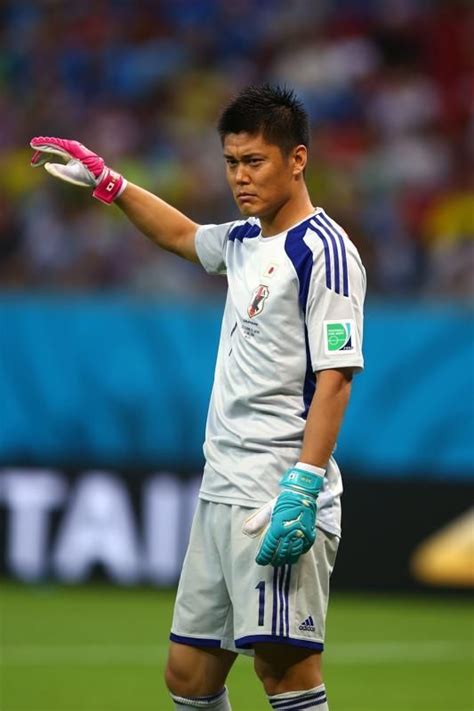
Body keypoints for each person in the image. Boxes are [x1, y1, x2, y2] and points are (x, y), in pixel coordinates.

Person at [30, 84, 366, 711]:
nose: (240, 177)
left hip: (276, 490)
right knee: (188, 676)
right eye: (231, 163)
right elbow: (183, 236)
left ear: (297, 159)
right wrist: (112, 184)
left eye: (255, 162)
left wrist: (305, 482)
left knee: (284, 671)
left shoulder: (324, 253)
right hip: (220, 487)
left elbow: (337, 377)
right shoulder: (245, 241)